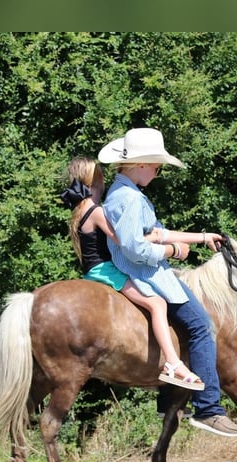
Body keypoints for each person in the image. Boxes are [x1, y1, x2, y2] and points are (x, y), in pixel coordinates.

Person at [98, 127, 237, 438]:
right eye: (156, 165)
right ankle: (208, 409)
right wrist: (172, 252)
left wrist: (202, 237)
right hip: (149, 275)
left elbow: (155, 232)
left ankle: (170, 400)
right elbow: (135, 248)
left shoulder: (122, 192)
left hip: (145, 272)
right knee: (201, 326)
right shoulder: (132, 200)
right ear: (140, 165)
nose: (158, 171)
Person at [60, 156, 204, 392]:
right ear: (95, 182)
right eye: (102, 182)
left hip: (92, 271)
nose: (105, 186)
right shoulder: (96, 211)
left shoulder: (80, 210)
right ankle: (172, 362)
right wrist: (160, 242)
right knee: (157, 303)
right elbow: (124, 243)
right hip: (106, 271)